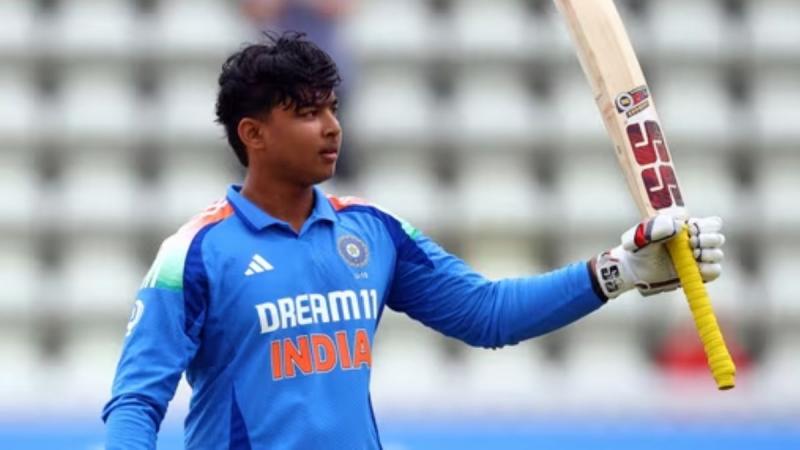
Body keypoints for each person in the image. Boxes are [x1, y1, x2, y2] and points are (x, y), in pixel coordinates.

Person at [102, 33, 726, 449]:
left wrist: (618, 271)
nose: (332, 128)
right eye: (308, 113)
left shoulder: (372, 230)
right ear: (253, 134)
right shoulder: (194, 254)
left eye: (333, 108)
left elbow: (488, 314)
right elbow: (136, 400)